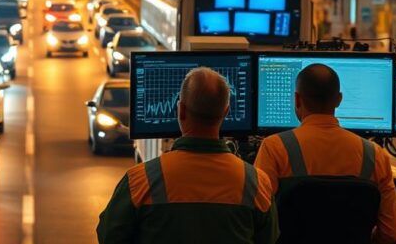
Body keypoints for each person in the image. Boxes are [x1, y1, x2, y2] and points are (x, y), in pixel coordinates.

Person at [96, 68, 278, 244]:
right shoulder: (257, 184)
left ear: (181, 110)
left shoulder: (139, 181)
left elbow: (109, 236)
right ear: (226, 112)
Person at [254, 64, 396, 244]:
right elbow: (392, 234)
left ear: (297, 99)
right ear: (339, 99)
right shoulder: (375, 155)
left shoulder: (274, 148)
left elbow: (258, 223)